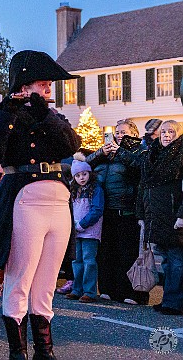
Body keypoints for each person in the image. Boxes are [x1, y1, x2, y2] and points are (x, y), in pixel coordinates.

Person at [0, 50, 81, 360]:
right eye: (43, 82)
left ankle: (45, 351)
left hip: (57, 199)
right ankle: (18, 351)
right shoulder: (7, 115)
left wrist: (44, 113)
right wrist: (8, 111)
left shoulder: (52, 117)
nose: (50, 87)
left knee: (47, 281)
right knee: (21, 277)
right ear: (25, 85)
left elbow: (72, 144)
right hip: (25, 197)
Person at [117, 120, 183, 315]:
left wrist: (181, 215)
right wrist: (142, 215)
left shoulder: (180, 155)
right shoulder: (153, 155)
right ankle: (169, 300)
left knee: (176, 261)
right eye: (163, 131)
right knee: (167, 262)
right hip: (158, 217)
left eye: (171, 131)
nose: (166, 135)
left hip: (174, 217)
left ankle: (174, 303)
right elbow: (143, 186)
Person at [86, 119, 148, 305]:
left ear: (134, 134)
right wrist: (100, 152)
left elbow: (139, 167)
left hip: (127, 210)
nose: (119, 135)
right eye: (117, 132)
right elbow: (86, 165)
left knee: (127, 253)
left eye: (123, 132)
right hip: (107, 210)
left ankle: (131, 292)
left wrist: (120, 151)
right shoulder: (108, 154)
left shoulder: (139, 150)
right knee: (107, 253)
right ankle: (108, 290)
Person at [65, 155, 104, 303]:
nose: (81, 178)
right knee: (76, 260)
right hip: (76, 230)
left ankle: (90, 291)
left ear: (90, 173)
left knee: (89, 260)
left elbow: (97, 210)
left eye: (84, 174)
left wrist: (82, 224)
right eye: (78, 175)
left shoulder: (96, 189)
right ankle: (77, 289)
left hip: (90, 231)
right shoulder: (73, 191)